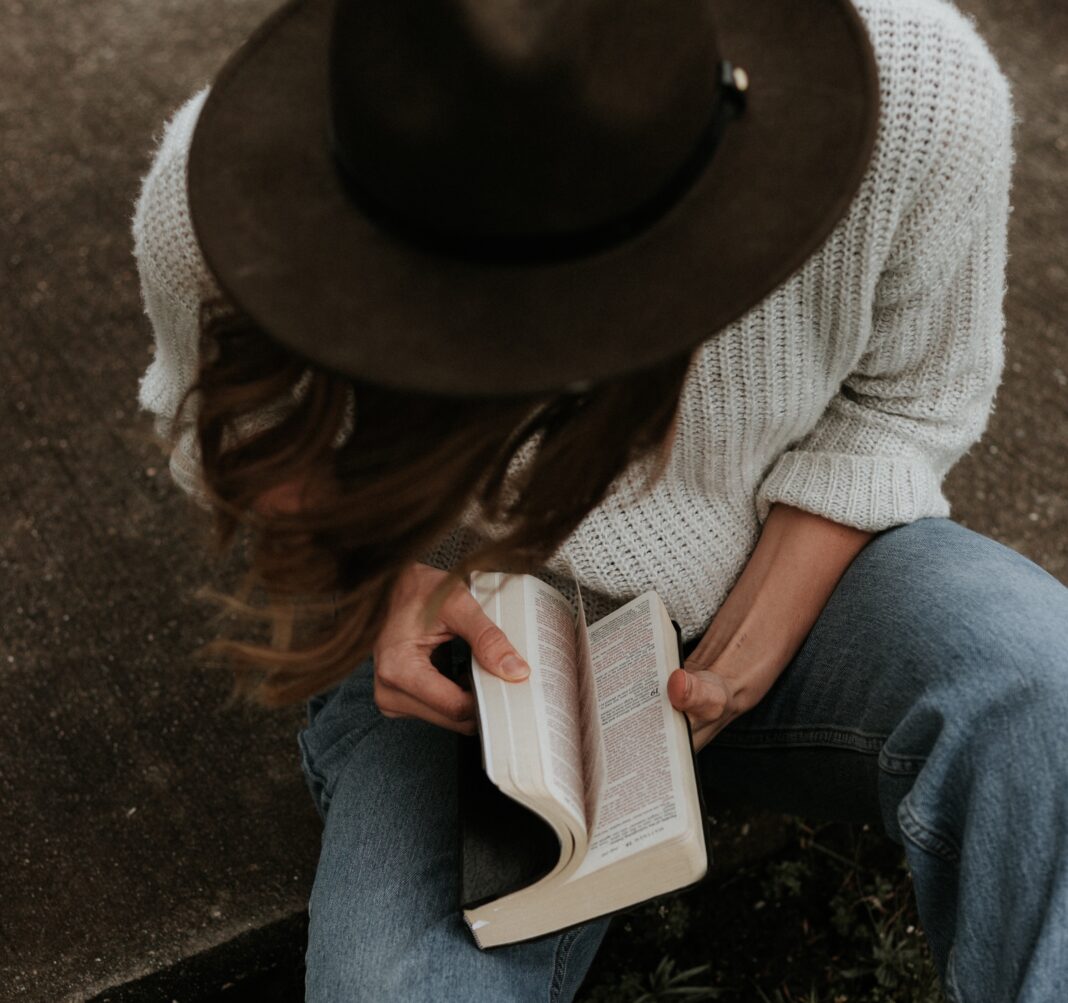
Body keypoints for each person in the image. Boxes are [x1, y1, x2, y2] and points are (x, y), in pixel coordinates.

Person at [131, 0, 1067, 1000]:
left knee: (1037, 681)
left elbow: (910, 398)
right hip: (475, 667)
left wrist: (746, 647)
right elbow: (236, 446)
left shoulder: (912, 86)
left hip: (804, 568)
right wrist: (410, 564)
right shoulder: (231, 207)